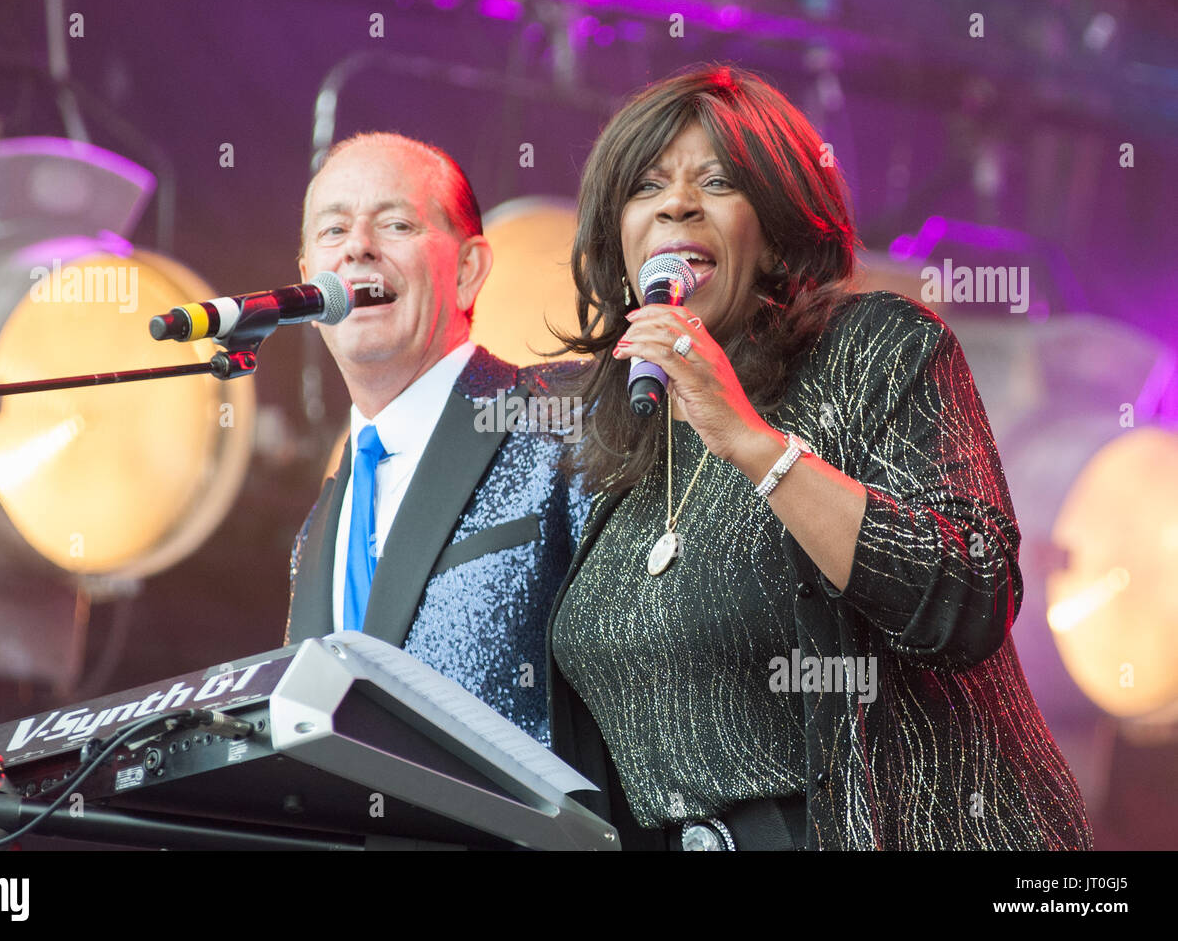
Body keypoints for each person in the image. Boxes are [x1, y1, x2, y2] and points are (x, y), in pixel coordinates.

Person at [547, 65, 1094, 851]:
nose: (676, 202)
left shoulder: (875, 349)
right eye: (646, 186)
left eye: (718, 181)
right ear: (618, 237)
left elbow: (970, 596)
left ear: (775, 231)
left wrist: (752, 443)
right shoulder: (625, 432)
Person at [284, 132, 585, 746]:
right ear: (307, 281)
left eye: (395, 225)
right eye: (332, 232)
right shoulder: (315, 532)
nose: (358, 249)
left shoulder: (562, 419)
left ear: (469, 270)